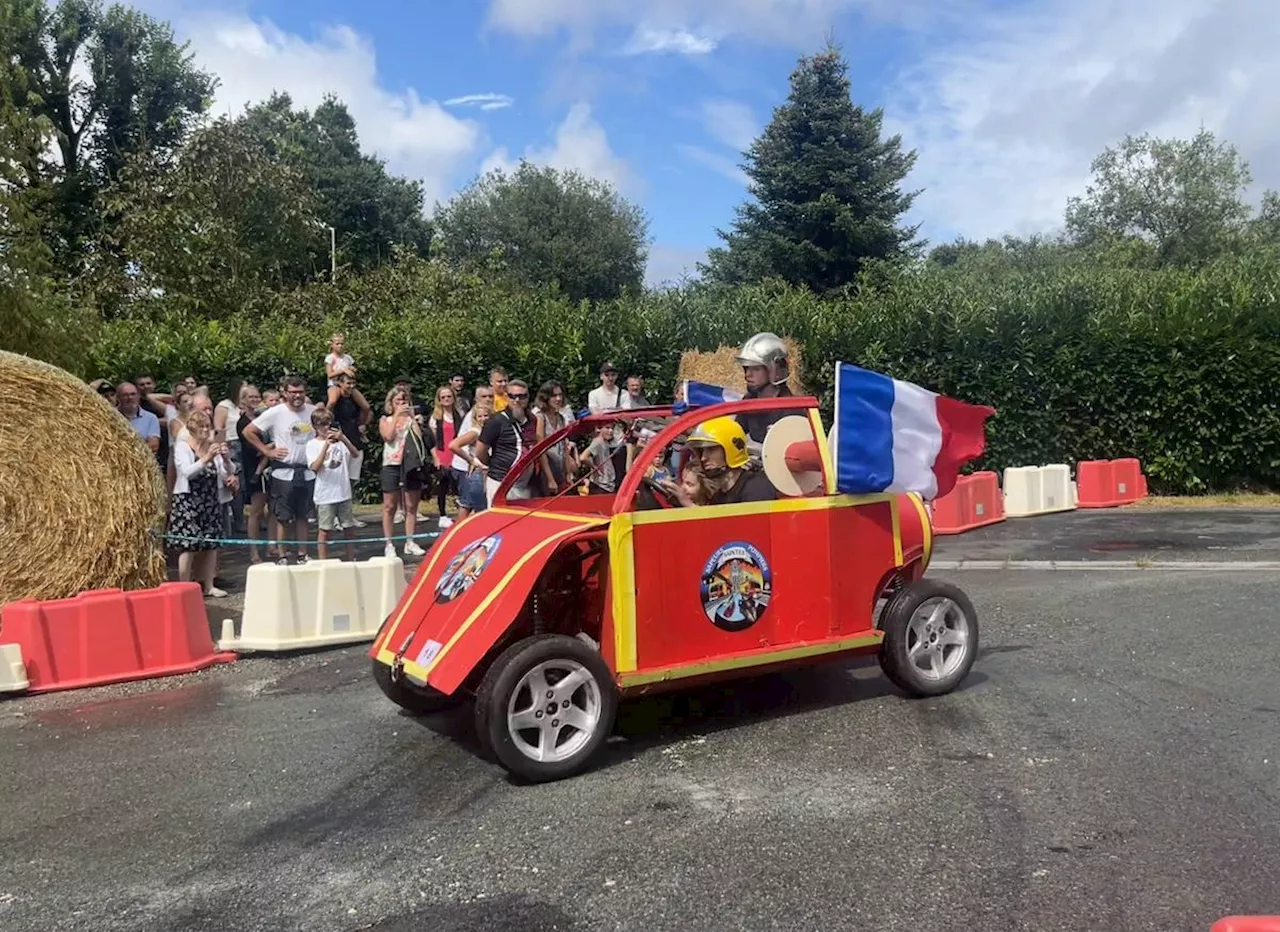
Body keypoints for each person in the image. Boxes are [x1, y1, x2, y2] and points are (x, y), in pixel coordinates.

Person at [242, 375, 317, 565]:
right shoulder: (276, 412)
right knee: (283, 516)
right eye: (292, 392)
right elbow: (248, 431)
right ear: (285, 393)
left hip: (307, 471)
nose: (297, 396)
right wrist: (266, 450)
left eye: (300, 392)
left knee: (303, 515)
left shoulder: (313, 411)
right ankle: (282, 554)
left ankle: (302, 553)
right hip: (283, 471)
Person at [168, 409, 236, 597]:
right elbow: (186, 472)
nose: (206, 431)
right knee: (189, 544)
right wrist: (206, 458)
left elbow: (226, 472)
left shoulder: (212, 445)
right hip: (188, 500)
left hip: (210, 499)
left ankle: (209, 585)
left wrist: (225, 459)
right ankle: (184, 585)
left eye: (208, 427)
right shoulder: (182, 447)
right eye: (202, 428)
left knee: (211, 543)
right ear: (192, 429)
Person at [656, 417, 776, 506]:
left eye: (711, 450)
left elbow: (737, 531)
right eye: (701, 451)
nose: (703, 458)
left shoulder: (756, 488)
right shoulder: (719, 495)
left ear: (730, 450)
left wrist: (686, 502)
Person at [379, 388, 429, 559]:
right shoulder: (385, 419)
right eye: (398, 401)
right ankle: (389, 543)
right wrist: (397, 417)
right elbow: (388, 436)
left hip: (410, 464)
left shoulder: (411, 420)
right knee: (390, 506)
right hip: (391, 464)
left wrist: (413, 418)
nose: (401, 404)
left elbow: (419, 438)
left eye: (404, 401)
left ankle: (410, 541)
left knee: (411, 506)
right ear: (391, 403)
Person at [306, 408, 359, 561]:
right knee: (325, 529)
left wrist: (343, 439)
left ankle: (351, 557)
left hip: (343, 492)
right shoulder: (312, 444)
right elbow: (315, 467)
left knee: (348, 527)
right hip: (325, 494)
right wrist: (326, 446)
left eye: (328, 424)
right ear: (315, 426)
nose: (326, 428)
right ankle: (323, 561)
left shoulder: (340, 442)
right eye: (322, 424)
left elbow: (354, 454)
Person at [475, 378, 532, 505]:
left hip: (524, 482)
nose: (517, 400)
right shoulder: (496, 421)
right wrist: (493, 464)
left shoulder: (532, 420)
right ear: (506, 397)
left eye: (522, 396)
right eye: (513, 396)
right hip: (500, 481)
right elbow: (480, 451)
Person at [734, 332, 794, 446]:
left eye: (756, 369)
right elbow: (735, 435)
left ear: (775, 370)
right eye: (746, 368)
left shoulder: (792, 408)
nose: (748, 375)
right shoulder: (748, 401)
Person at [329, 373, 371, 525]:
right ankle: (333, 517)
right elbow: (329, 406)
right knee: (338, 478)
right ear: (340, 383)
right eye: (348, 383)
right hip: (339, 441)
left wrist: (362, 423)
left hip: (355, 440)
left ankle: (348, 515)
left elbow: (366, 408)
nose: (351, 386)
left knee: (352, 480)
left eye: (353, 383)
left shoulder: (354, 397)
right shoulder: (334, 395)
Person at [448, 403, 493, 521]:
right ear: (475, 418)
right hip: (479, 474)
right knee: (481, 513)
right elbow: (453, 445)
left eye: (486, 415)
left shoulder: (489, 430)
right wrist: (471, 460)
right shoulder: (475, 432)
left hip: (489, 474)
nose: (483, 419)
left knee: (478, 510)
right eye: (480, 416)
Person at [429, 384, 465, 525]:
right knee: (442, 486)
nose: (446, 399)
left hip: (457, 454)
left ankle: (462, 514)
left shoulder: (460, 415)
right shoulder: (435, 418)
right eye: (443, 397)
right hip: (442, 454)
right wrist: (436, 458)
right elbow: (432, 441)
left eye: (449, 396)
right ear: (439, 399)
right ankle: (442, 515)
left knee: (460, 486)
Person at [116, 382, 161, 455]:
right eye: (125, 395)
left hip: (142, 462)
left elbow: (153, 446)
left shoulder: (151, 418)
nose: (130, 398)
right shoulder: (111, 416)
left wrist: (128, 453)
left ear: (138, 396)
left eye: (133, 394)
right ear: (118, 397)